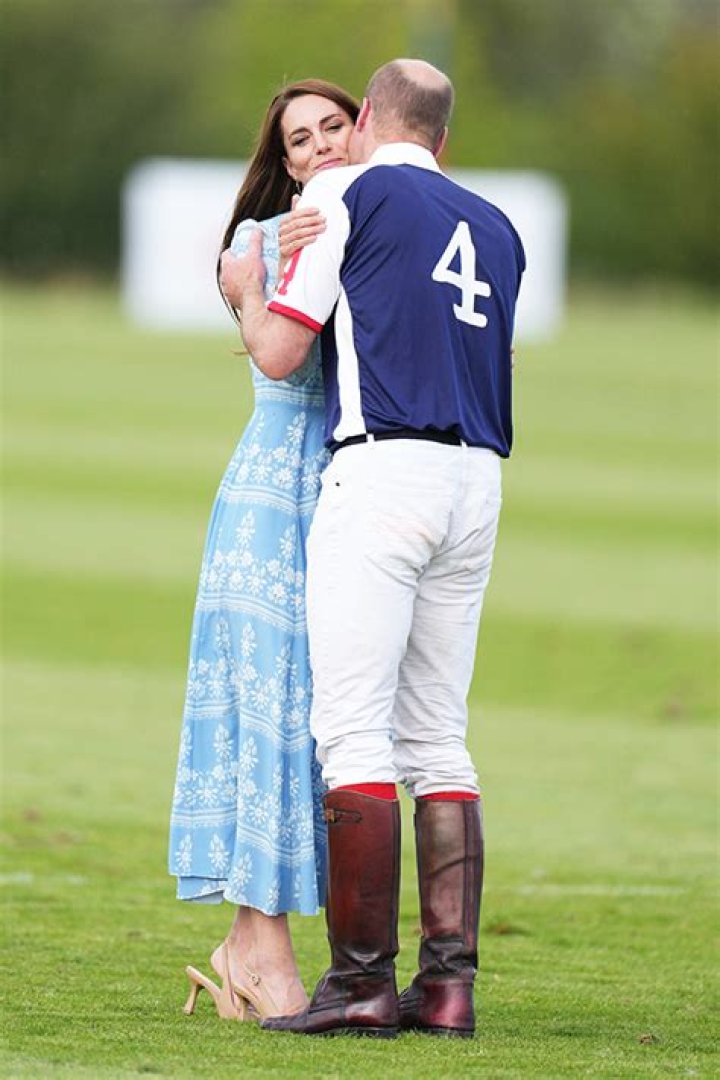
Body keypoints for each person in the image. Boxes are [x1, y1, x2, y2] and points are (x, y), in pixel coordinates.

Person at [220, 58, 526, 1039]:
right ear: (443, 137)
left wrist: (244, 291)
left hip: (384, 470)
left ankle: (359, 985)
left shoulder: (345, 193)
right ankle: (447, 989)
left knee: (353, 733)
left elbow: (280, 353)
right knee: (438, 738)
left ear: (368, 123)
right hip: (477, 479)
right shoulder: (498, 224)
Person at [168, 79, 359, 1023]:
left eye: (334, 127)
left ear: (363, 132)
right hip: (271, 500)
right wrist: (252, 282)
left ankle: (247, 946)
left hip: (352, 494)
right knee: (270, 716)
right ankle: (266, 953)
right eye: (301, 139)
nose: (321, 147)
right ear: (283, 163)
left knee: (324, 723)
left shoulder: (374, 227)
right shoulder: (264, 238)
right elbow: (260, 327)